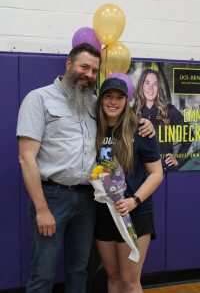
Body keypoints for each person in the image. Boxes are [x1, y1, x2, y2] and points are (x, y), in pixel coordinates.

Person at [16, 43, 155, 293]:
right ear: (69, 64)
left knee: (80, 269)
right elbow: (26, 158)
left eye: (93, 70)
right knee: (43, 272)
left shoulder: (94, 104)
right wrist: (41, 209)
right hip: (52, 197)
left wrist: (145, 124)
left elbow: (122, 118)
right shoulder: (39, 99)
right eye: (84, 67)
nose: (88, 74)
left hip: (88, 200)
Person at [95, 77, 163, 293]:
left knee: (129, 280)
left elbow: (156, 174)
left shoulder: (140, 129)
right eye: (108, 96)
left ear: (127, 101)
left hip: (135, 214)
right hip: (104, 213)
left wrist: (134, 201)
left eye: (119, 97)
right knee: (113, 277)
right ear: (101, 100)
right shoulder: (93, 128)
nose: (113, 102)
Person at [134, 68, 192, 170]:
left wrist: (178, 158)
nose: (151, 88)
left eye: (155, 84)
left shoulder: (169, 110)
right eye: (147, 83)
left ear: (159, 88)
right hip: (140, 172)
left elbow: (189, 134)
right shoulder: (132, 112)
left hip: (164, 170)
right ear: (141, 86)